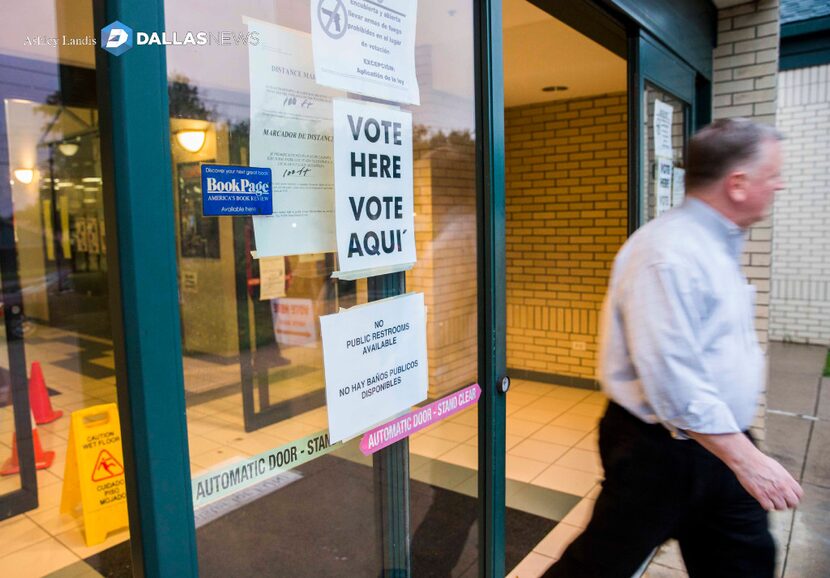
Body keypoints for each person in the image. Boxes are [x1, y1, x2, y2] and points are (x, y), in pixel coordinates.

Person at [543, 118, 803, 578]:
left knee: (744, 563)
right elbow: (672, 380)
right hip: (661, 452)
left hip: (716, 443)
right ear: (737, 184)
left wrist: (738, 450)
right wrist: (749, 461)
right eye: (772, 176)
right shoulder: (668, 252)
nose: (778, 186)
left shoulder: (715, 244)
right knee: (596, 568)